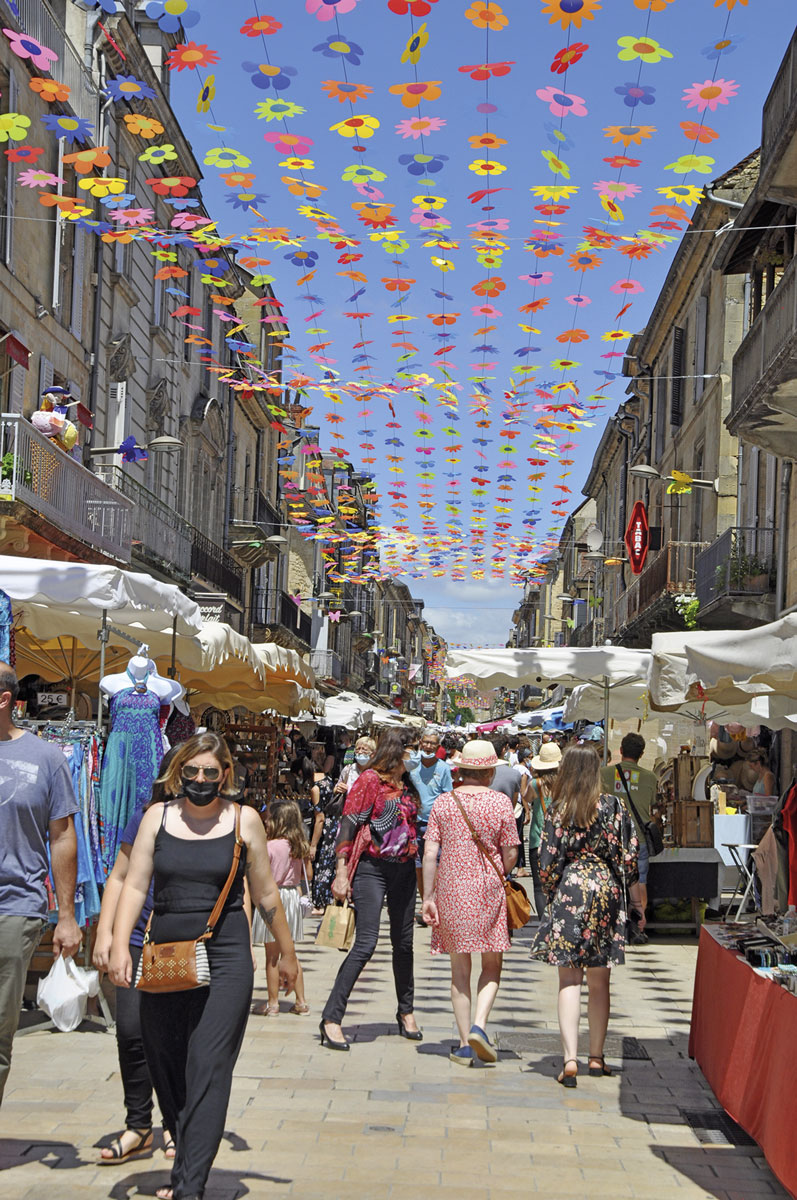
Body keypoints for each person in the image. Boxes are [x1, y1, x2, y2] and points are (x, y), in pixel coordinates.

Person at [109, 731, 298, 1200]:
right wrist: (116, 943)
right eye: (191, 771)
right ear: (178, 773)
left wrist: (287, 954)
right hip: (164, 954)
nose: (200, 779)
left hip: (227, 954)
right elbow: (134, 886)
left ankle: (189, 1184)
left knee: (208, 1064)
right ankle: (185, 1151)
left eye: (210, 772)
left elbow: (266, 893)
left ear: (225, 775)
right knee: (166, 1061)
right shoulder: (157, 817)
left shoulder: (245, 821)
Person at [93, 746, 182, 1165]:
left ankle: (176, 1126)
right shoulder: (146, 815)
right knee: (130, 1031)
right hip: (137, 937)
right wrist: (105, 935)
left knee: (173, 1038)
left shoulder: (218, 820)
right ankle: (139, 1126)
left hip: (181, 942)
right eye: (183, 773)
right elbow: (118, 877)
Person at [532, 746, 640, 1087]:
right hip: (606, 889)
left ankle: (570, 1059)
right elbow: (629, 856)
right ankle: (596, 1056)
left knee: (568, 980)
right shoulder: (614, 806)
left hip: (571, 888)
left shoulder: (559, 810)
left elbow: (547, 861)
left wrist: (554, 891)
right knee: (599, 980)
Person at [0, 662, 82, 1107]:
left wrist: (66, 916)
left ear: (4, 699)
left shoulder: (46, 758)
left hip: (15, 906)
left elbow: (63, 836)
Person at [320, 729, 421, 1051]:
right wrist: (340, 872)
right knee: (366, 943)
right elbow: (348, 824)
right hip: (371, 869)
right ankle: (331, 1018)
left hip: (404, 869)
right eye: (412, 750)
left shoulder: (406, 784)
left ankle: (406, 1011)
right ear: (397, 751)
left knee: (404, 944)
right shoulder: (369, 781)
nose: (416, 756)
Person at [421, 741, 519, 1067]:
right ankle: (480, 1024)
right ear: (490, 772)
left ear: (460, 771)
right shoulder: (501, 804)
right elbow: (510, 854)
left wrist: (428, 897)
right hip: (488, 892)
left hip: (450, 892)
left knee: (458, 971)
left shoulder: (444, 804)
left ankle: (464, 1044)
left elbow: (430, 854)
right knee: (491, 965)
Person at [252, 799, 312, 1016]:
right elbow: (309, 875)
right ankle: (301, 1001)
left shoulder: (270, 847)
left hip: (274, 898)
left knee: (272, 956)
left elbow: (266, 878)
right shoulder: (299, 846)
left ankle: (273, 1002)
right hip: (292, 897)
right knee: (291, 953)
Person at [312, 736, 376, 914]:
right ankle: (339, 892)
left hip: (366, 822)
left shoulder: (375, 773)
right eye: (358, 749)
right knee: (341, 857)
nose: (360, 753)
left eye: (364, 750)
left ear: (373, 754)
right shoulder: (348, 770)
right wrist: (338, 789)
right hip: (347, 820)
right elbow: (337, 791)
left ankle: (355, 891)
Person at [601, 732, 657, 924]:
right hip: (639, 839)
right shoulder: (650, 778)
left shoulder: (604, 774)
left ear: (621, 750)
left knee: (610, 881)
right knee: (640, 882)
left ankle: (611, 921)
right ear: (641, 754)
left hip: (611, 839)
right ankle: (639, 924)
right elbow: (653, 805)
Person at [410, 730, 453, 919]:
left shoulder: (443, 768)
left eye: (432, 744)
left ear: (438, 747)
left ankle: (434, 899)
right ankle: (425, 900)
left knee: (434, 863)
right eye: (425, 742)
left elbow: (447, 796)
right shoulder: (412, 766)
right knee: (418, 865)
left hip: (434, 824)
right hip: (413, 822)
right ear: (420, 743)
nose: (428, 746)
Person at [527, 742, 562, 920]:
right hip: (558, 839)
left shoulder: (535, 784)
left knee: (538, 885)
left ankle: (543, 921)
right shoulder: (565, 785)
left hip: (537, 838)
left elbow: (526, 798)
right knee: (557, 881)